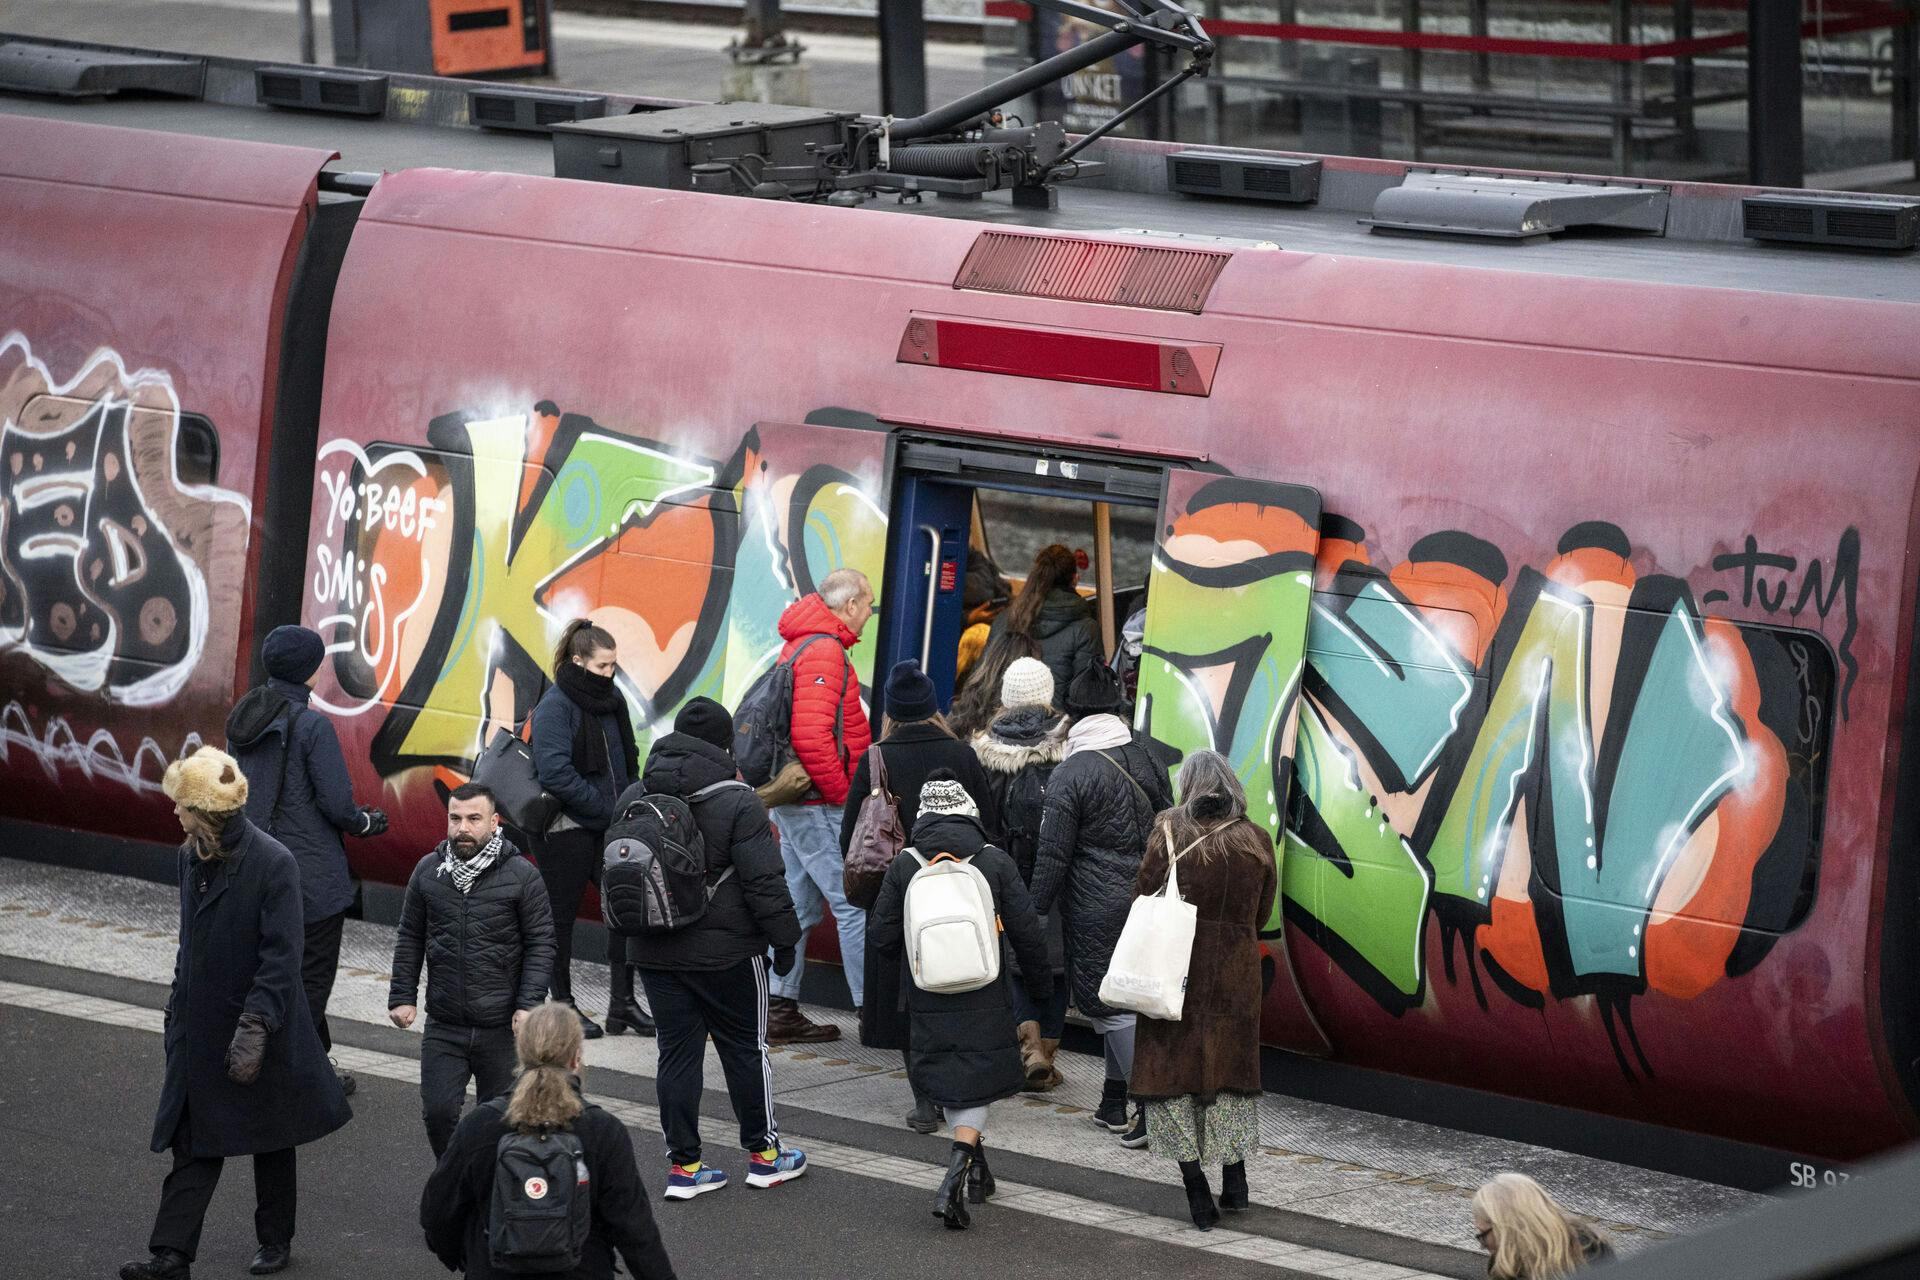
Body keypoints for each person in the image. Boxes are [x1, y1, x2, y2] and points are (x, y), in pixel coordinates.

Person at [121, 747, 351, 1280]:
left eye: (181, 806)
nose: (174, 813)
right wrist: (176, 1005)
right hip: (200, 1026)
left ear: (204, 813)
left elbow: (281, 959)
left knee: (271, 1138)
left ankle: (275, 1242)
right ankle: (171, 1255)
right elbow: (189, 942)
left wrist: (254, 1029)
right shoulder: (188, 856)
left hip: (260, 1025)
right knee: (192, 1139)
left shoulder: (274, 863)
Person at [630, 697, 810, 1199]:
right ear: (727, 745)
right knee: (746, 1051)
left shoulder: (636, 793)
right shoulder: (739, 800)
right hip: (728, 954)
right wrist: (786, 941)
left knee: (677, 1056)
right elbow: (765, 881)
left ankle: (685, 1169)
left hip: (654, 951)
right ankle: (766, 1157)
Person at [868, 773, 1052, 1231]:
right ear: (970, 814)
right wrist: (1041, 992)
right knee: (977, 1079)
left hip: (927, 992)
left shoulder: (905, 864)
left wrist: (914, 962)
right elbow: (1029, 933)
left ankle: (978, 1176)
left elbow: (880, 937)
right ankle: (952, 1181)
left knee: (955, 1078)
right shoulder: (993, 860)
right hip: (985, 991)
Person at [838, 660, 1002, 1133]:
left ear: (891, 710)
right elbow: (989, 828)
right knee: (956, 984)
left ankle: (923, 1100)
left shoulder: (876, 758)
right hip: (960, 892)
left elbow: (851, 837)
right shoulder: (963, 755)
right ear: (933, 707)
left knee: (908, 994)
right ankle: (960, 1092)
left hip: (898, 896)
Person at [226, 624, 388, 1097]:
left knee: (273, 966)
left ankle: (312, 1064)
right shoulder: (312, 725)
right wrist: (365, 824)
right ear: (309, 671)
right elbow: (337, 804)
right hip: (311, 876)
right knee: (310, 979)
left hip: (255, 865)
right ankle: (289, 1074)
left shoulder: (244, 715)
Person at [420, 1001, 679, 1280]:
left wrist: (470, 1258)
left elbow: (438, 1213)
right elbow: (636, 1232)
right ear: (576, 1058)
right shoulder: (603, 1130)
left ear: (521, 1054)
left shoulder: (480, 1125)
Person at [1128, 751, 1277, 1231]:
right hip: (1236, 974)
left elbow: (1143, 894)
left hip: (1174, 974)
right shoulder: (1257, 841)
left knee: (1169, 1078)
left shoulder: (1170, 833)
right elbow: (1262, 914)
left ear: (1188, 786)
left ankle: (1197, 1194)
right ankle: (1236, 1184)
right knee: (1232, 1076)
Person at [1031, 662, 1173, 1146]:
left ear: (1071, 713)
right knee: (1130, 997)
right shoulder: (1149, 755)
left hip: (1096, 907)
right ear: (1116, 707)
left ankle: (1152, 1109)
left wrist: (1032, 911)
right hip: (1148, 899)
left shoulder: (1072, 771)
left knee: (1109, 1006)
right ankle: (1113, 1101)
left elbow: (1053, 853)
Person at [389, 783, 557, 1157]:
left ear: (494, 822)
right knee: (438, 1112)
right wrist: (402, 995)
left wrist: (528, 1005)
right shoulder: (429, 871)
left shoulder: (522, 876)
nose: (462, 828)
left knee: (497, 1121)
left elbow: (542, 943)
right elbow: (410, 936)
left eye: (473, 819)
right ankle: (455, 1180)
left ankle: (485, 1190)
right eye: (455, 818)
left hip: (500, 1028)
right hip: (445, 1024)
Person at [765, 567, 875, 1044]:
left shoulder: (807, 642)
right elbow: (812, 738)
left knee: (798, 905)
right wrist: (841, 795)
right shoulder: (826, 650)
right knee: (853, 905)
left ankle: (777, 1005)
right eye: (868, 605)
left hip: (801, 804)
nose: (870, 615)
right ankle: (873, 1013)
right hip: (816, 804)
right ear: (849, 605)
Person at [530, 619, 652, 1039]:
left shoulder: (612, 700)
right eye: (602, 666)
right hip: (565, 831)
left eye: (614, 665)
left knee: (626, 913)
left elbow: (627, 758)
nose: (610, 674)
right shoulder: (555, 705)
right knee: (559, 921)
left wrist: (630, 801)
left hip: (610, 827)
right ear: (578, 661)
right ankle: (563, 1007)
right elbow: (555, 774)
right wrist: (604, 809)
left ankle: (623, 1005)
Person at [969, 655, 1070, 1092]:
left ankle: (1027, 1050)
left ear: (1005, 698)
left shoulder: (983, 750)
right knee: (1055, 960)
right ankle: (1045, 1055)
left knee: (1012, 959)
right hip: (1055, 872)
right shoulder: (1067, 746)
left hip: (1000, 872)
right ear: (1047, 696)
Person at [952, 544, 1100, 737]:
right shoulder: (1086, 629)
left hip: (997, 730)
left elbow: (980, 682)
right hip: (1051, 737)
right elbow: (1086, 699)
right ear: (1075, 579)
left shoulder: (1005, 619)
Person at [1471, 1173, 1616, 1279]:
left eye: (1482, 1235)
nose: (1482, 1246)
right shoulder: (1593, 1246)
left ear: (1506, 1228)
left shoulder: (1511, 1271)